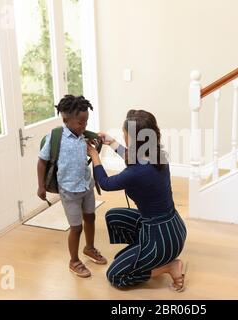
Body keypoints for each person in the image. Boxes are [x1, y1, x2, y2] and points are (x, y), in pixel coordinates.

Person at [86, 109, 188, 292]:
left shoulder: (137, 172)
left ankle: (168, 266)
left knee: (115, 276)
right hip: (172, 227)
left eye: (125, 135)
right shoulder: (156, 156)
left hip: (163, 238)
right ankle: (146, 253)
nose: (124, 138)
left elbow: (106, 183)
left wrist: (94, 155)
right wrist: (111, 142)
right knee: (114, 216)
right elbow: (132, 158)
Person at [37, 95, 107, 278]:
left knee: (90, 218)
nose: (83, 125)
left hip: (86, 186)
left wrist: (95, 138)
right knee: (76, 228)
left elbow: (90, 141)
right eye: (80, 122)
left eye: (86, 121)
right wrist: (40, 186)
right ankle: (74, 261)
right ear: (66, 119)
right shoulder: (56, 137)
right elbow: (42, 162)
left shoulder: (83, 135)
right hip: (69, 191)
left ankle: (89, 248)